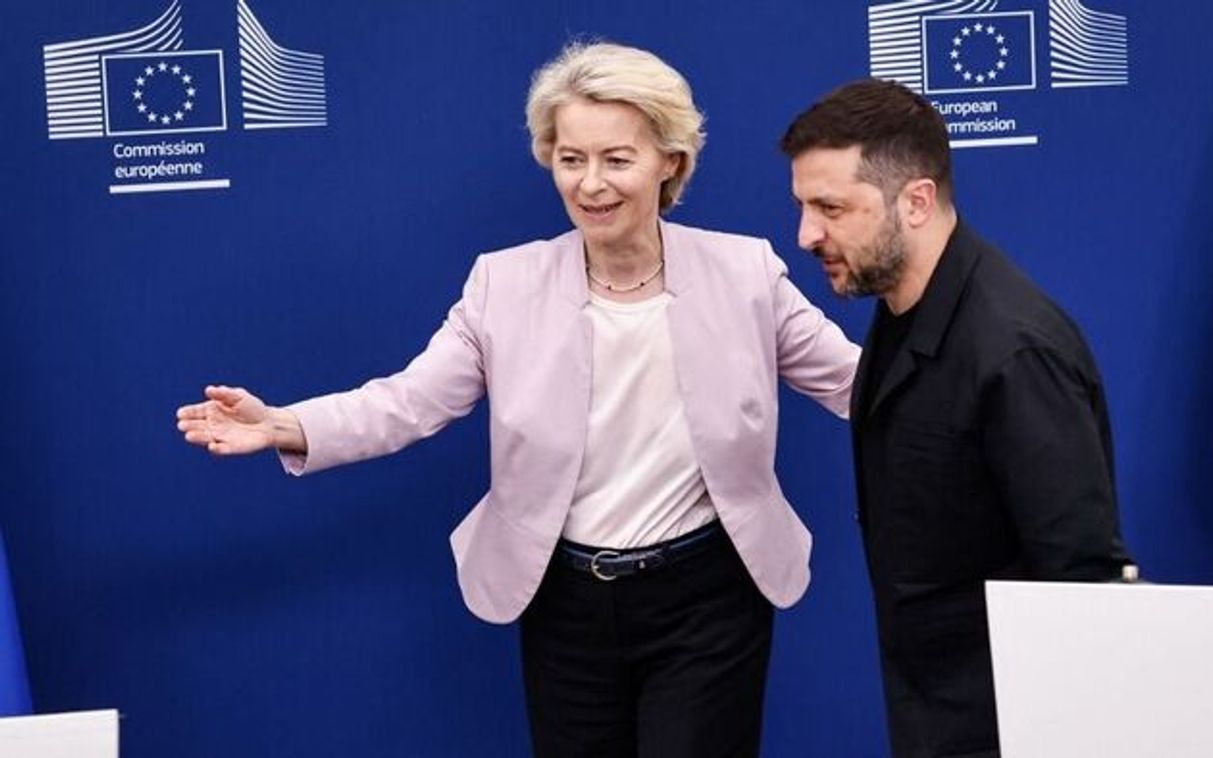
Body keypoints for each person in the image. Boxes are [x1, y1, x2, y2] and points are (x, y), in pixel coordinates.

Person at [176, 42, 859, 758]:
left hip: (708, 597)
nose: (590, 184)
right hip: (563, 601)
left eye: (617, 159)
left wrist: (941, 371)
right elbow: (409, 401)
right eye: (570, 159)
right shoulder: (502, 285)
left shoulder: (745, 273)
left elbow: (855, 382)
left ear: (670, 161)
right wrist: (285, 424)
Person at [780, 79, 1133, 758]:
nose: (806, 235)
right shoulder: (898, 311)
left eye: (831, 208)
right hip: (936, 708)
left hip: (1012, 723)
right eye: (802, 206)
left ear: (915, 201)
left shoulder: (1014, 351)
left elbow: (1082, 574)